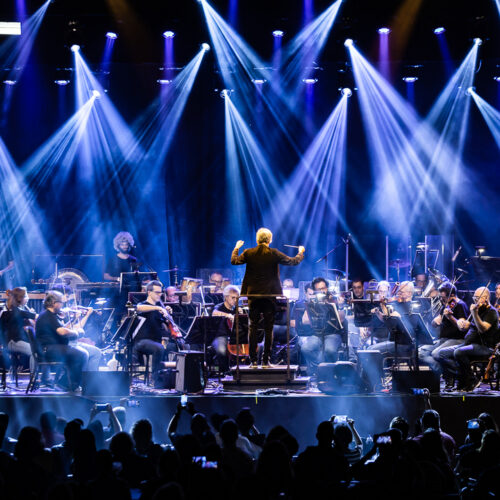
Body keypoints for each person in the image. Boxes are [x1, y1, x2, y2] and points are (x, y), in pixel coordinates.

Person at [231, 228, 304, 367]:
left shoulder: (249, 252)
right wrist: (301, 252)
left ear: (258, 239)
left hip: (253, 295)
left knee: (252, 327)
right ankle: (265, 361)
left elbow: (234, 261)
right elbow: (293, 261)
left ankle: (253, 361)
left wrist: (236, 248)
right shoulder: (273, 253)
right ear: (270, 240)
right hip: (270, 295)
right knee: (268, 329)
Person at [438, 286, 499, 391]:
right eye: (474, 297)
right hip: (469, 344)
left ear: (486, 298)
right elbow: (465, 327)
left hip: (484, 347)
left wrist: (474, 313)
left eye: (477, 298)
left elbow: (482, 329)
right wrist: (453, 319)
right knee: (442, 353)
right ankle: (465, 378)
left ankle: (470, 379)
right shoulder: (476, 309)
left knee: (458, 352)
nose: (475, 300)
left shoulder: (492, 312)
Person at [35, 291, 88, 391]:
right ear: (54, 303)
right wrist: (76, 333)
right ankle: (67, 384)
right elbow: (62, 331)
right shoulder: (48, 315)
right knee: (80, 354)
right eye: (61, 302)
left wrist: (72, 322)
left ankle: (66, 383)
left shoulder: (51, 315)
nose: (62, 305)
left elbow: (61, 328)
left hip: (51, 348)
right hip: (47, 349)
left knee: (79, 354)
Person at [418, 282, 467, 385]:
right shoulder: (446, 306)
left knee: (436, 353)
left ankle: (459, 373)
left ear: (452, 295)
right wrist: (434, 322)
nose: (441, 300)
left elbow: (462, 327)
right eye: (440, 297)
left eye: (443, 298)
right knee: (420, 353)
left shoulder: (460, 305)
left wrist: (451, 317)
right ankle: (443, 371)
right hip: (443, 340)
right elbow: (435, 323)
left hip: (456, 340)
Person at [135, 280, 181, 383]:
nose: (159, 295)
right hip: (142, 341)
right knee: (159, 348)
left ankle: (172, 377)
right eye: (157, 292)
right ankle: (156, 379)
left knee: (178, 347)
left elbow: (166, 327)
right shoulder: (144, 305)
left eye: (160, 292)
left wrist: (167, 314)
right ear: (149, 292)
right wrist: (157, 307)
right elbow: (137, 308)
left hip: (158, 340)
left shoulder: (160, 308)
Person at [1, 287, 36, 361]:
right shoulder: (17, 311)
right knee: (34, 352)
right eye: (26, 296)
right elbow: (36, 316)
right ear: (20, 298)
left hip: (14, 342)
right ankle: (34, 372)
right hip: (13, 342)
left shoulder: (16, 310)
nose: (28, 298)